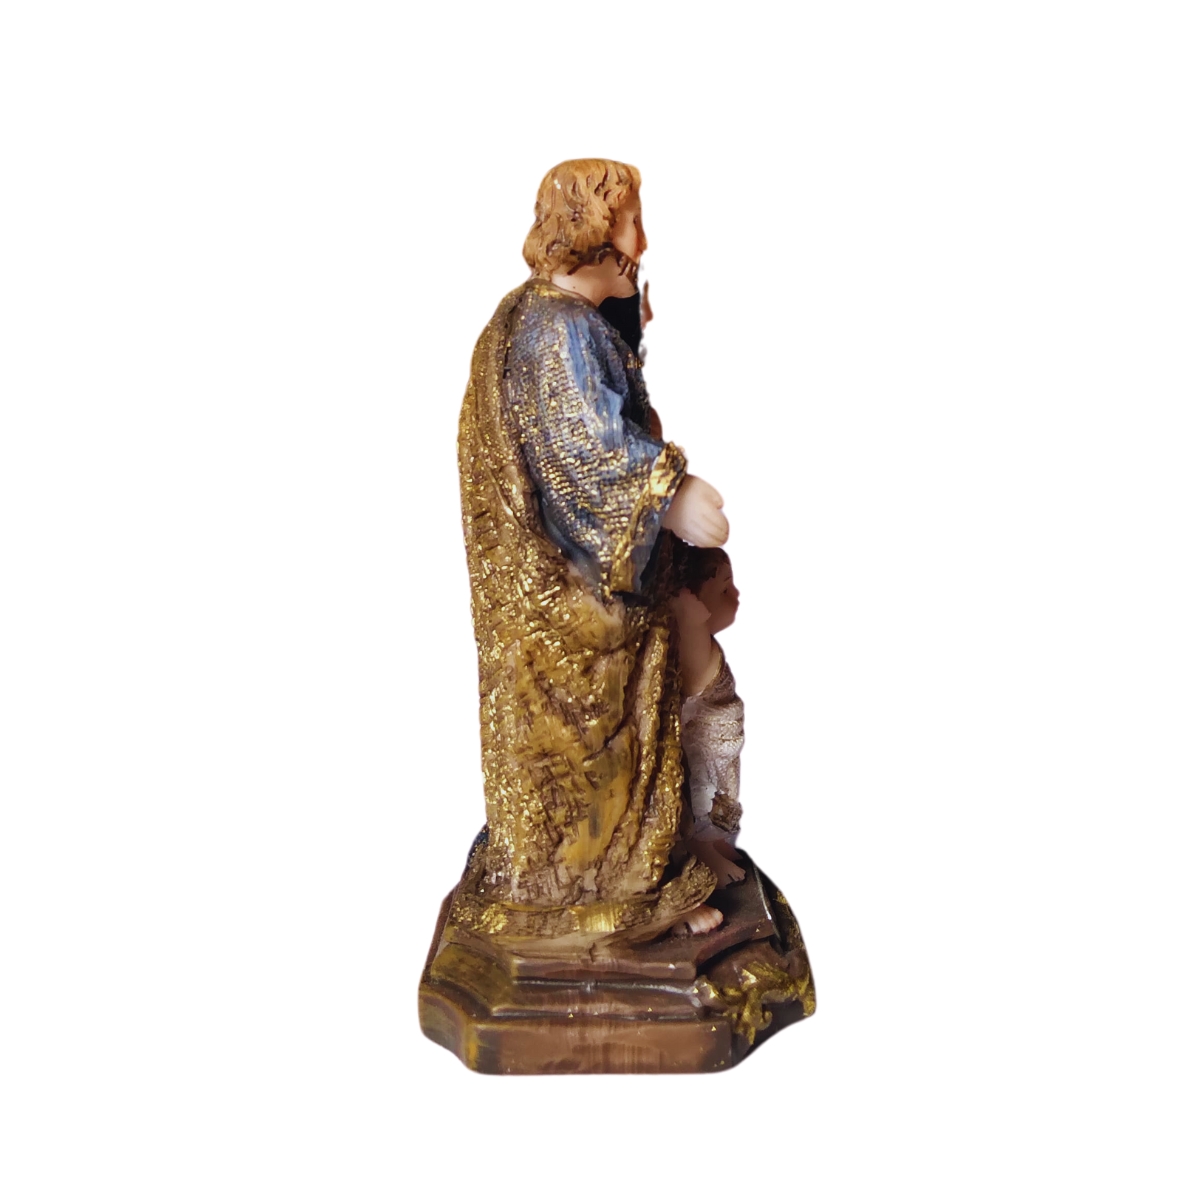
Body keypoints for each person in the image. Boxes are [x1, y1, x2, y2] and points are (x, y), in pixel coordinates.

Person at [454, 159, 728, 944]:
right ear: (593, 232)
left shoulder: (553, 320)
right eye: (632, 222)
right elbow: (581, 452)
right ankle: (619, 901)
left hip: (555, 597)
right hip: (570, 612)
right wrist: (671, 494)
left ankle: (627, 879)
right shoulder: (555, 331)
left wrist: (628, 333)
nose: (643, 243)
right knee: (600, 746)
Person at [670, 547, 748, 937]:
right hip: (705, 750)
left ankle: (712, 847)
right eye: (724, 589)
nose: (736, 596)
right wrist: (688, 619)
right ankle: (701, 855)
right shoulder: (693, 642)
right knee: (704, 803)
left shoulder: (702, 638)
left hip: (722, 748)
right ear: (695, 603)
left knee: (720, 801)